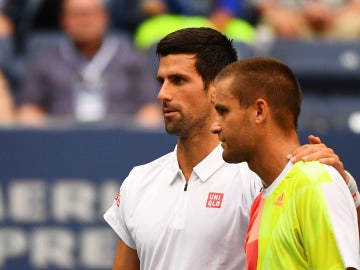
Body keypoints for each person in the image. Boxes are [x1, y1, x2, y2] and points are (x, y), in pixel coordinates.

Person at [103, 27, 359, 270]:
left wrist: (347, 190)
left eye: (178, 80)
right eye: (161, 81)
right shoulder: (138, 181)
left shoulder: (262, 178)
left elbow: (340, 243)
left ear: (218, 87)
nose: (162, 93)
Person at [211, 57, 360, 269]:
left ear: (259, 111)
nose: (214, 127)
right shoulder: (259, 203)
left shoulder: (314, 182)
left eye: (223, 111)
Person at [16, 0, 162, 126]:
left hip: (118, 141)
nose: (83, 21)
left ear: (104, 17)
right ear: (63, 21)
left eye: (89, 14)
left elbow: (150, 106)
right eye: (75, 15)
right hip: (60, 143)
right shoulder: (44, 62)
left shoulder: (132, 60)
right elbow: (28, 109)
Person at [253, 0, 360, 40]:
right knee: (269, 23)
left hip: (337, 22)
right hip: (294, 22)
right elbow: (264, 6)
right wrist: (295, 17)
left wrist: (333, 16)